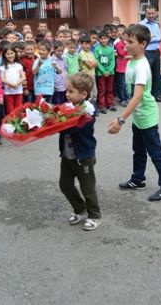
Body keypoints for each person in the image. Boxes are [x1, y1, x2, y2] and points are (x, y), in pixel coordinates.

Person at [107, 24, 161, 202]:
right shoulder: (132, 62)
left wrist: (120, 120)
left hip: (146, 116)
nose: (126, 45)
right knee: (138, 149)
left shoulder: (141, 67)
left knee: (156, 153)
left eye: (130, 41)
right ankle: (138, 179)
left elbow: (137, 97)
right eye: (125, 41)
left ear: (143, 44)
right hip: (138, 117)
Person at [58, 72, 101, 231]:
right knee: (65, 185)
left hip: (83, 157)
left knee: (88, 188)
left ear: (83, 94)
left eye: (70, 91)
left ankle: (94, 215)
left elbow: (76, 129)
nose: (66, 94)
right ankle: (79, 208)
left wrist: (59, 122)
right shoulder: (69, 107)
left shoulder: (87, 112)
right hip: (67, 155)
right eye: (67, 91)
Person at [139, 7, 161, 103]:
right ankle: (146, 96)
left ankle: (156, 95)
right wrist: (154, 38)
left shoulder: (156, 24)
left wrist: (153, 37)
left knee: (156, 74)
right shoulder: (141, 25)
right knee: (146, 75)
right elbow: (144, 39)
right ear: (145, 14)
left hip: (156, 51)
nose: (151, 15)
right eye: (149, 13)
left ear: (155, 13)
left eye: (152, 13)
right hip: (147, 52)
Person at [0, 44, 25, 114]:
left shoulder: (18, 65)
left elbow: (23, 77)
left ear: (15, 54)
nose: (10, 55)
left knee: (19, 109)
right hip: (8, 92)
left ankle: (18, 123)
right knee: (10, 110)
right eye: (8, 54)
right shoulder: (3, 66)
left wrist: (16, 84)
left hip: (18, 91)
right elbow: (2, 78)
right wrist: (11, 85)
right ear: (4, 55)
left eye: (12, 53)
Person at [94, 31, 116, 114]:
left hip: (110, 73)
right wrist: (103, 71)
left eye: (105, 38)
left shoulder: (110, 49)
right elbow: (97, 61)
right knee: (102, 89)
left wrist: (109, 71)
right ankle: (102, 105)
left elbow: (113, 61)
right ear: (99, 40)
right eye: (101, 39)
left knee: (110, 89)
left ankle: (110, 104)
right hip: (101, 73)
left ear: (108, 39)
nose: (103, 40)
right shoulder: (97, 49)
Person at [78, 36, 98, 103]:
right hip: (86, 76)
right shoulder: (81, 54)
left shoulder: (91, 53)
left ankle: (93, 108)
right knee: (88, 93)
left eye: (89, 44)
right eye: (85, 44)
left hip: (92, 74)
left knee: (94, 93)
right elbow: (90, 65)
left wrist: (93, 63)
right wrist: (93, 63)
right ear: (81, 44)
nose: (87, 46)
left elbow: (96, 64)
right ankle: (88, 109)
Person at [114, 29, 129, 106]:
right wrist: (126, 47)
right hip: (120, 66)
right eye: (125, 36)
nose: (126, 37)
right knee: (121, 84)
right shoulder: (118, 44)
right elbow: (122, 53)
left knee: (126, 83)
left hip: (128, 65)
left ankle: (126, 97)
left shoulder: (129, 43)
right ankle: (122, 99)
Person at [50, 40, 67, 105]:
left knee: (62, 102)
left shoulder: (64, 59)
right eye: (58, 51)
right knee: (57, 103)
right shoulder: (51, 60)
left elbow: (65, 70)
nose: (60, 53)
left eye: (62, 51)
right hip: (55, 85)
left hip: (63, 84)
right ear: (54, 49)